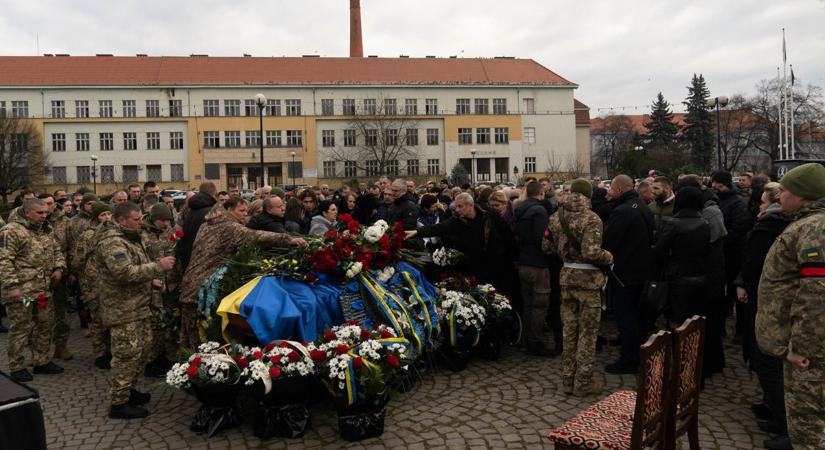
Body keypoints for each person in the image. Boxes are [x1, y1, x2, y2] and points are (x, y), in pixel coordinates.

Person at [756, 163, 825, 450]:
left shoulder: (814, 229)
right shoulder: (806, 224)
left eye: (784, 190)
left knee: (809, 427)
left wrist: (802, 347)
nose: (778, 196)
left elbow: (816, 293)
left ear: (804, 195)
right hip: (800, 344)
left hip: (809, 352)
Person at [178, 198, 308, 350]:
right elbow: (255, 236)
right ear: (228, 210)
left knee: (187, 334)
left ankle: (186, 364)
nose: (245, 215)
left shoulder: (207, 223)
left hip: (191, 282)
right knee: (199, 336)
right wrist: (288, 240)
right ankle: (195, 366)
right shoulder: (229, 227)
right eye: (241, 211)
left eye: (246, 211)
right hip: (201, 288)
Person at [91, 202, 175, 419]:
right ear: (121, 220)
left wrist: (151, 282)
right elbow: (124, 273)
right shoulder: (113, 243)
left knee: (143, 350)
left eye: (140, 219)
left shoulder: (130, 238)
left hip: (138, 305)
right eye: (136, 220)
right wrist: (158, 267)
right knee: (126, 355)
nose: (141, 223)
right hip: (122, 310)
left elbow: (137, 269)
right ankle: (118, 403)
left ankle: (130, 390)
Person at [734, 182, 791, 448]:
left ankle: (785, 422)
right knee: (766, 360)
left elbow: (755, 261)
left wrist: (744, 281)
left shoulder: (771, 225)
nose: (760, 205)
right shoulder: (775, 223)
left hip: (768, 300)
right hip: (762, 295)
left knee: (768, 360)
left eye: (764, 202)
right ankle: (775, 412)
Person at [545, 178, 613, 396]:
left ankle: (567, 380)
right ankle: (583, 382)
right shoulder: (592, 219)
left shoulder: (556, 217)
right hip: (589, 282)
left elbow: (545, 246)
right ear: (588, 195)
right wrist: (609, 257)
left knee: (569, 330)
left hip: (566, 279)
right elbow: (592, 253)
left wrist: (563, 251)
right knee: (588, 333)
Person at [0, 199, 67, 382]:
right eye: (40, 213)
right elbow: (4, 261)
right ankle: (17, 366)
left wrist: (59, 268)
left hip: (42, 291)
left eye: (46, 213)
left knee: (45, 324)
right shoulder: (11, 231)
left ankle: (42, 361)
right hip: (23, 293)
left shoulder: (46, 229)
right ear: (27, 212)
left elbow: (56, 250)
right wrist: (12, 287)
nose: (44, 216)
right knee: (21, 327)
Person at [406, 193, 518, 297]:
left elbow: (507, 236)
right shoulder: (458, 221)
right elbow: (440, 227)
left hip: (497, 265)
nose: (457, 210)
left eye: (460, 206)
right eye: (456, 207)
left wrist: (512, 258)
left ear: (470, 205)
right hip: (475, 267)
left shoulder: (490, 215)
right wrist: (417, 232)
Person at [603, 174, 654, 374]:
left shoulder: (623, 211)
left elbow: (610, 241)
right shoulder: (642, 206)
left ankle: (629, 358)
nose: (608, 192)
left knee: (626, 316)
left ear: (620, 189)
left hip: (625, 272)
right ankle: (640, 352)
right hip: (641, 269)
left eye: (611, 188)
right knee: (638, 316)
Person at [651, 186, 710, 328]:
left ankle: (677, 348)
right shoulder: (705, 223)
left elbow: (659, 250)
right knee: (695, 319)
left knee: (676, 319)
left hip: (677, 277)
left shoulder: (673, 224)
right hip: (700, 275)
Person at [711, 170, 753, 342]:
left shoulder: (737, 203)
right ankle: (719, 328)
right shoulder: (716, 200)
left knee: (736, 294)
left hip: (734, 255)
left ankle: (740, 332)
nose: (715, 188)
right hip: (721, 255)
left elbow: (738, 229)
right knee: (719, 295)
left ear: (726, 184)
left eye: (718, 186)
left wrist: (721, 240)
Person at [74, 202, 115, 370]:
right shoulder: (88, 234)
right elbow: (78, 260)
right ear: (95, 217)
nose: (106, 218)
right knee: (98, 320)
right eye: (102, 215)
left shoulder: (115, 231)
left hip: (111, 283)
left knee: (111, 318)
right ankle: (100, 353)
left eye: (108, 214)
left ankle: (112, 351)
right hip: (94, 283)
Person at [514, 181, 553, 356]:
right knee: (539, 305)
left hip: (523, 262)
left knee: (528, 304)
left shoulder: (519, 209)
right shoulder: (539, 210)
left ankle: (525, 340)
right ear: (541, 193)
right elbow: (541, 239)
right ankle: (535, 342)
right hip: (537, 264)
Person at [140, 204, 178, 378]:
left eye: (168, 220)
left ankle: (168, 357)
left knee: (169, 321)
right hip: (151, 285)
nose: (165, 223)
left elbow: (177, 253)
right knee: (154, 324)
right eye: (162, 220)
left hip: (170, 284)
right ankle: (152, 360)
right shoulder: (142, 234)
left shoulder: (171, 231)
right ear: (153, 218)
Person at [177, 182, 217, 273]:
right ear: (215, 193)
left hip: (188, 257)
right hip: (203, 260)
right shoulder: (211, 211)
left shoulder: (191, 210)